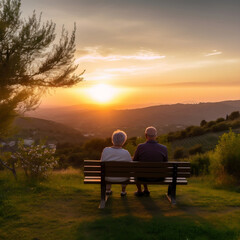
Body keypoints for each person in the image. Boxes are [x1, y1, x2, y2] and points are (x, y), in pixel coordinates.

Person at [133, 126, 168, 196]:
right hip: (159, 177)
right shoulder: (164, 148)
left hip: (143, 177)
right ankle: (146, 189)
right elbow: (165, 162)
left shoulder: (140, 147)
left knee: (138, 169)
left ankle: (140, 191)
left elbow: (134, 161)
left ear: (146, 135)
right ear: (156, 135)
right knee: (143, 169)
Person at [101, 130, 132, 196]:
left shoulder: (105, 150)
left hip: (107, 177)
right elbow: (130, 167)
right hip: (123, 178)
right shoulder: (126, 153)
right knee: (126, 172)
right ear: (123, 141)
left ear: (113, 139)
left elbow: (102, 162)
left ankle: (108, 190)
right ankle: (123, 191)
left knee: (107, 170)